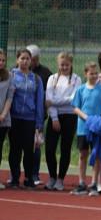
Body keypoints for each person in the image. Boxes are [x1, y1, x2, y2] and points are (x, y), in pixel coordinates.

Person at [5, 48, 44, 189]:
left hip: (30, 119)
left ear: (31, 61)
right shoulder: (11, 76)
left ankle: (29, 178)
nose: (25, 61)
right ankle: (15, 177)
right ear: (17, 60)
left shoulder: (36, 79)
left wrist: (39, 122)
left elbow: (39, 101)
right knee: (15, 149)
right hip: (14, 118)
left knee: (29, 149)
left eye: (28, 58)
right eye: (22, 58)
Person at [43, 52, 83, 191]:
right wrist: (54, 118)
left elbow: (72, 99)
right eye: (62, 64)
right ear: (58, 64)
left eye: (67, 64)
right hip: (55, 117)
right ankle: (52, 177)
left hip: (70, 116)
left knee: (65, 148)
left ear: (71, 64)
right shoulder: (52, 78)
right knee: (49, 148)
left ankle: (60, 179)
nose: (64, 67)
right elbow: (48, 100)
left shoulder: (77, 79)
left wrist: (54, 101)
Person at [70, 62, 101, 196]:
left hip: (97, 128)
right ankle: (82, 183)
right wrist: (87, 118)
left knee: (96, 154)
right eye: (91, 73)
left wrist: (100, 118)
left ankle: (94, 183)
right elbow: (76, 107)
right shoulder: (81, 89)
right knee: (83, 154)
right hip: (83, 127)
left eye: (95, 73)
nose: (93, 76)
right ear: (85, 74)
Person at [26, 44, 52, 186]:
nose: (32, 62)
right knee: (19, 146)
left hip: (38, 116)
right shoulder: (16, 71)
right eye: (30, 58)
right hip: (21, 116)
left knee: (36, 146)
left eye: (34, 59)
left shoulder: (46, 73)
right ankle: (16, 174)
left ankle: (35, 174)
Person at [0, 52, 13, 185]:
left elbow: (10, 97)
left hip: (3, 120)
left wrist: (3, 115)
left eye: (3, 61)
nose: (1, 63)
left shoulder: (9, 76)